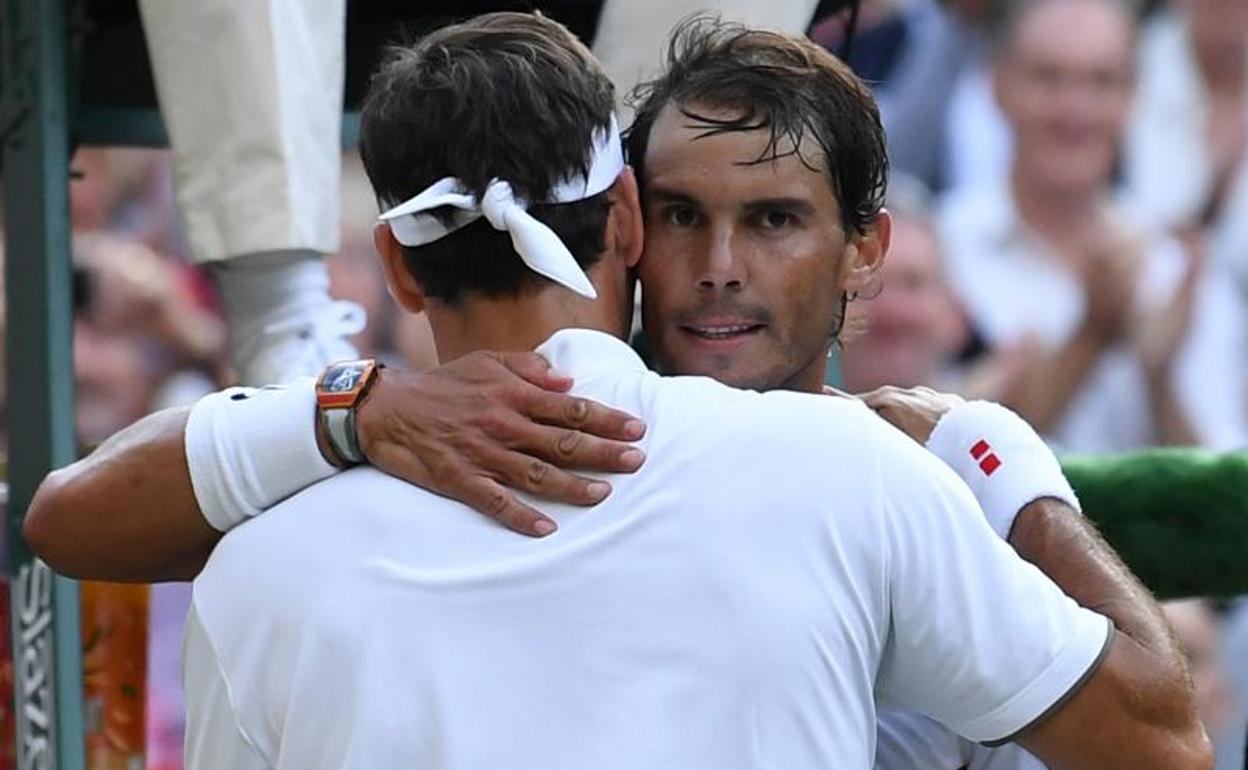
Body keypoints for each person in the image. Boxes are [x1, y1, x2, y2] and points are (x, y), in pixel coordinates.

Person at [938, 0, 1248, 453]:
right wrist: (1090, 339)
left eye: (1101, 82)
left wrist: (1158, 377)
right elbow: (937, 462)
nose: (1075, 109)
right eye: (1049, 78)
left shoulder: (1176, 267)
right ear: (996, 84)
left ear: (1133, 97)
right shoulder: (938, 254)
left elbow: (1222, 489)